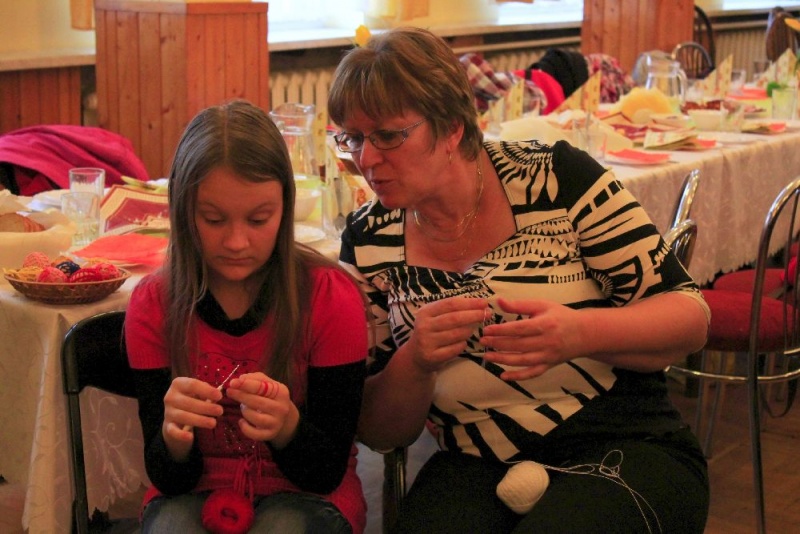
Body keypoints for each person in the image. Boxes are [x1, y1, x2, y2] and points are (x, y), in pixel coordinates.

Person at [327, 27, 711, 533]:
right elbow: (379, 431)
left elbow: (690, 319)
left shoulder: (555, 179)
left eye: (389, 136)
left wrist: (577, 333)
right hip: (477, 461)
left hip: (622, 442)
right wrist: (415, 360)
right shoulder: (370, 238)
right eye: (352, 138)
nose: (366, 160)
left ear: (451, 129)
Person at [124, 100, 368, 534]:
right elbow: (166, 478)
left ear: (285, 207)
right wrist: (174, 440)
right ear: (183, 212)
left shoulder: (329, 298)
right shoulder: (154, 304)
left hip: (307, 494)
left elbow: (326, 472)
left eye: (259, 219)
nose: (237, 241)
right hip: (192, 493)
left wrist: (289, 427)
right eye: (213, 219)